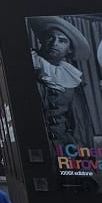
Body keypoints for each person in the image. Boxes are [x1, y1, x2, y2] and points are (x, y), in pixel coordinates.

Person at [29, 16, 91, 145]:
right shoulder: (30, 63)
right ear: (42, 40)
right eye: (50, 37)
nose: (54, 43)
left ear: (69, 49)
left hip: (63, 147)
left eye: (62, 41)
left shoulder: (72, 79)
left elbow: (80, 123)